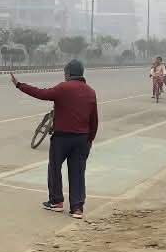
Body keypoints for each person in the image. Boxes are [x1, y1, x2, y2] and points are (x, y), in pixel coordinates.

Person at [10, 60, 99, 219]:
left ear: (68, 74)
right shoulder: (91, 92)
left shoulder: (63, 88)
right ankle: (77, 208)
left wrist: (19, 85)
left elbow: (41, 93)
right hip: (81, 139)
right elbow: (94, 120)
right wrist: (89, 140)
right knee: (78, 172)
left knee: (55, 168)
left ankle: (56, 201)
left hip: (62, 138)